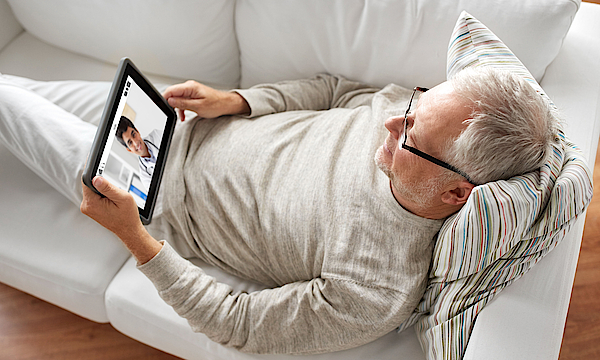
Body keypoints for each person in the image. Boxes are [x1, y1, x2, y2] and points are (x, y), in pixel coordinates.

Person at [0, 67, 557, 355]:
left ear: (455, 194)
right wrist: (237, 101)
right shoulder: (412, 115)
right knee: (16, 89)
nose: (392, 122)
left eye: (412, 135)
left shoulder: (375, 291)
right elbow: (338, 91)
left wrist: (134, 237)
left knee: (7, 101)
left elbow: (237, 324)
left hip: (155, 192)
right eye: (413, 106)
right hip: (172, 124)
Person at [115, 115, 163, 190]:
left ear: (137, 131)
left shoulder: (157, 135)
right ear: (129, 150)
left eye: (133, 134)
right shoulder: (145, 177)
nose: (135, 142)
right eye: (130, 143)